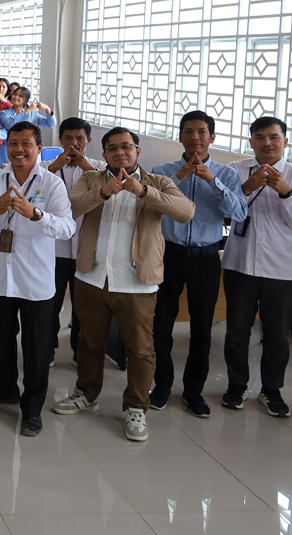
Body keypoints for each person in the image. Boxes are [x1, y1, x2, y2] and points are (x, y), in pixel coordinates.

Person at [51, 127, 194, 442]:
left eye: (126, 147)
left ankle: (136, 407)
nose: (120, 153)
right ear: (103, 155)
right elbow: (70, 209)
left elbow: (185, 212)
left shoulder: (158, 182)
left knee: (141, 349)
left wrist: (144, 192)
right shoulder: (91, 179)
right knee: (89, 342)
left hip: (137, 282)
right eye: (112, 148)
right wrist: (103, 193)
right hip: (92, 276)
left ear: (138, 151)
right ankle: (86, 394)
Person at [0, 122, 76, 436]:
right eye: (13, 143)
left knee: (36, 348)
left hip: (36, 281)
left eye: (26, 143)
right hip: (1, 278)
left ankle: (32, 409)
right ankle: (4, 389)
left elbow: (67, 227)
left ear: (39, 148)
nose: (18, 149)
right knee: (2, 340)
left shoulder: (51, 184)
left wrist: (36, 214)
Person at [148, 111, 246, 417]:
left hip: (205, 257)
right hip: (168, 255)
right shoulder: (162, 171)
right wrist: (179, 178)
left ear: (212, 137)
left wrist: (212, 182)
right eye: (188, 131)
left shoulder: (227, 175)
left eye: (202, 132)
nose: (195, 137)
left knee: (202, 328)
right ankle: (162, 386)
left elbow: (239, 213)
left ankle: (193, 390)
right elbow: (148, 204)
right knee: (161, 324)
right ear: (180, 136)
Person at [219, 117, 292, 417]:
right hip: (240, 263)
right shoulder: (235, 170)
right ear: (251, 142)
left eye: (274, 137)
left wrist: (286, 192)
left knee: (277, 335)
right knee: (236, 331)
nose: (267, 143)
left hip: (282, 269)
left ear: (285, 141)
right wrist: (246, 188)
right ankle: (237, 386)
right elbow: (224, 212)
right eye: (259, 137)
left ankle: (271, 390)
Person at [45, 117, 106, 364]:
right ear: (60, 140)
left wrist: (86, 167)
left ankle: (79, 352)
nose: (74, 143)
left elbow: (113, 189)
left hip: (86, 249)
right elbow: (32, 188)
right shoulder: (46, 167)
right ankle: (47, 350)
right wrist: (53, 168)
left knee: (84, 307)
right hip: (53, 249)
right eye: (68, 138)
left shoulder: (99, 168)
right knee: (50, 303)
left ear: (88, 141)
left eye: (80, 138)